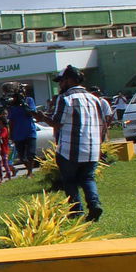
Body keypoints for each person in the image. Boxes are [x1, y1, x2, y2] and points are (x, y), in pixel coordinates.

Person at [48, 66, 108, 221]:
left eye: (61, 81)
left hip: (70, 150)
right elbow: (103, 125)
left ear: (69, 80)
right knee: (88, 178)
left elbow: (56, 122)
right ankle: (94, 205)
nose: (60, 85)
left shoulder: (66, 98)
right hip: (92, 149)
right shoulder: (94, 99)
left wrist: (41, 117)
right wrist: (100, 146)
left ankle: (76, 211)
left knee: (69, 180)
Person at [6, 94, 40, 176]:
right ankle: (30, 170)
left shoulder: (29, 100)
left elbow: (32, 113)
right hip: (18, 134)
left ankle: (30, 173)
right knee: (22, 157)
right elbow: (11, 121)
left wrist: (24, 104)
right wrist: (11, 134)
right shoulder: (12, 105)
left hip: (30, 132)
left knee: (31, 154)